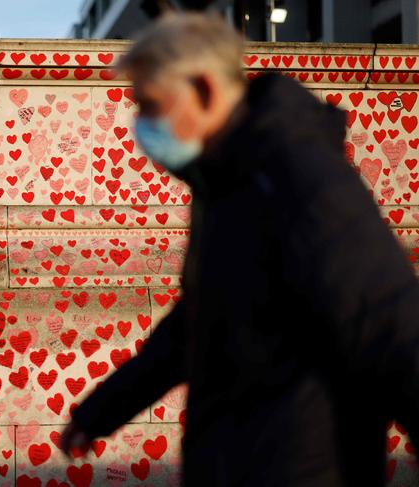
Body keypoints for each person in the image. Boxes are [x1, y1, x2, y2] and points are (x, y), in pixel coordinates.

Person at [59, 10, 419, 487]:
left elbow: (391, 324)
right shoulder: (229, 183)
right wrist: (102, 411)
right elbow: (201, 320)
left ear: (205, 89)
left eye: (151, 105)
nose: (141, 126)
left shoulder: (296, 173)